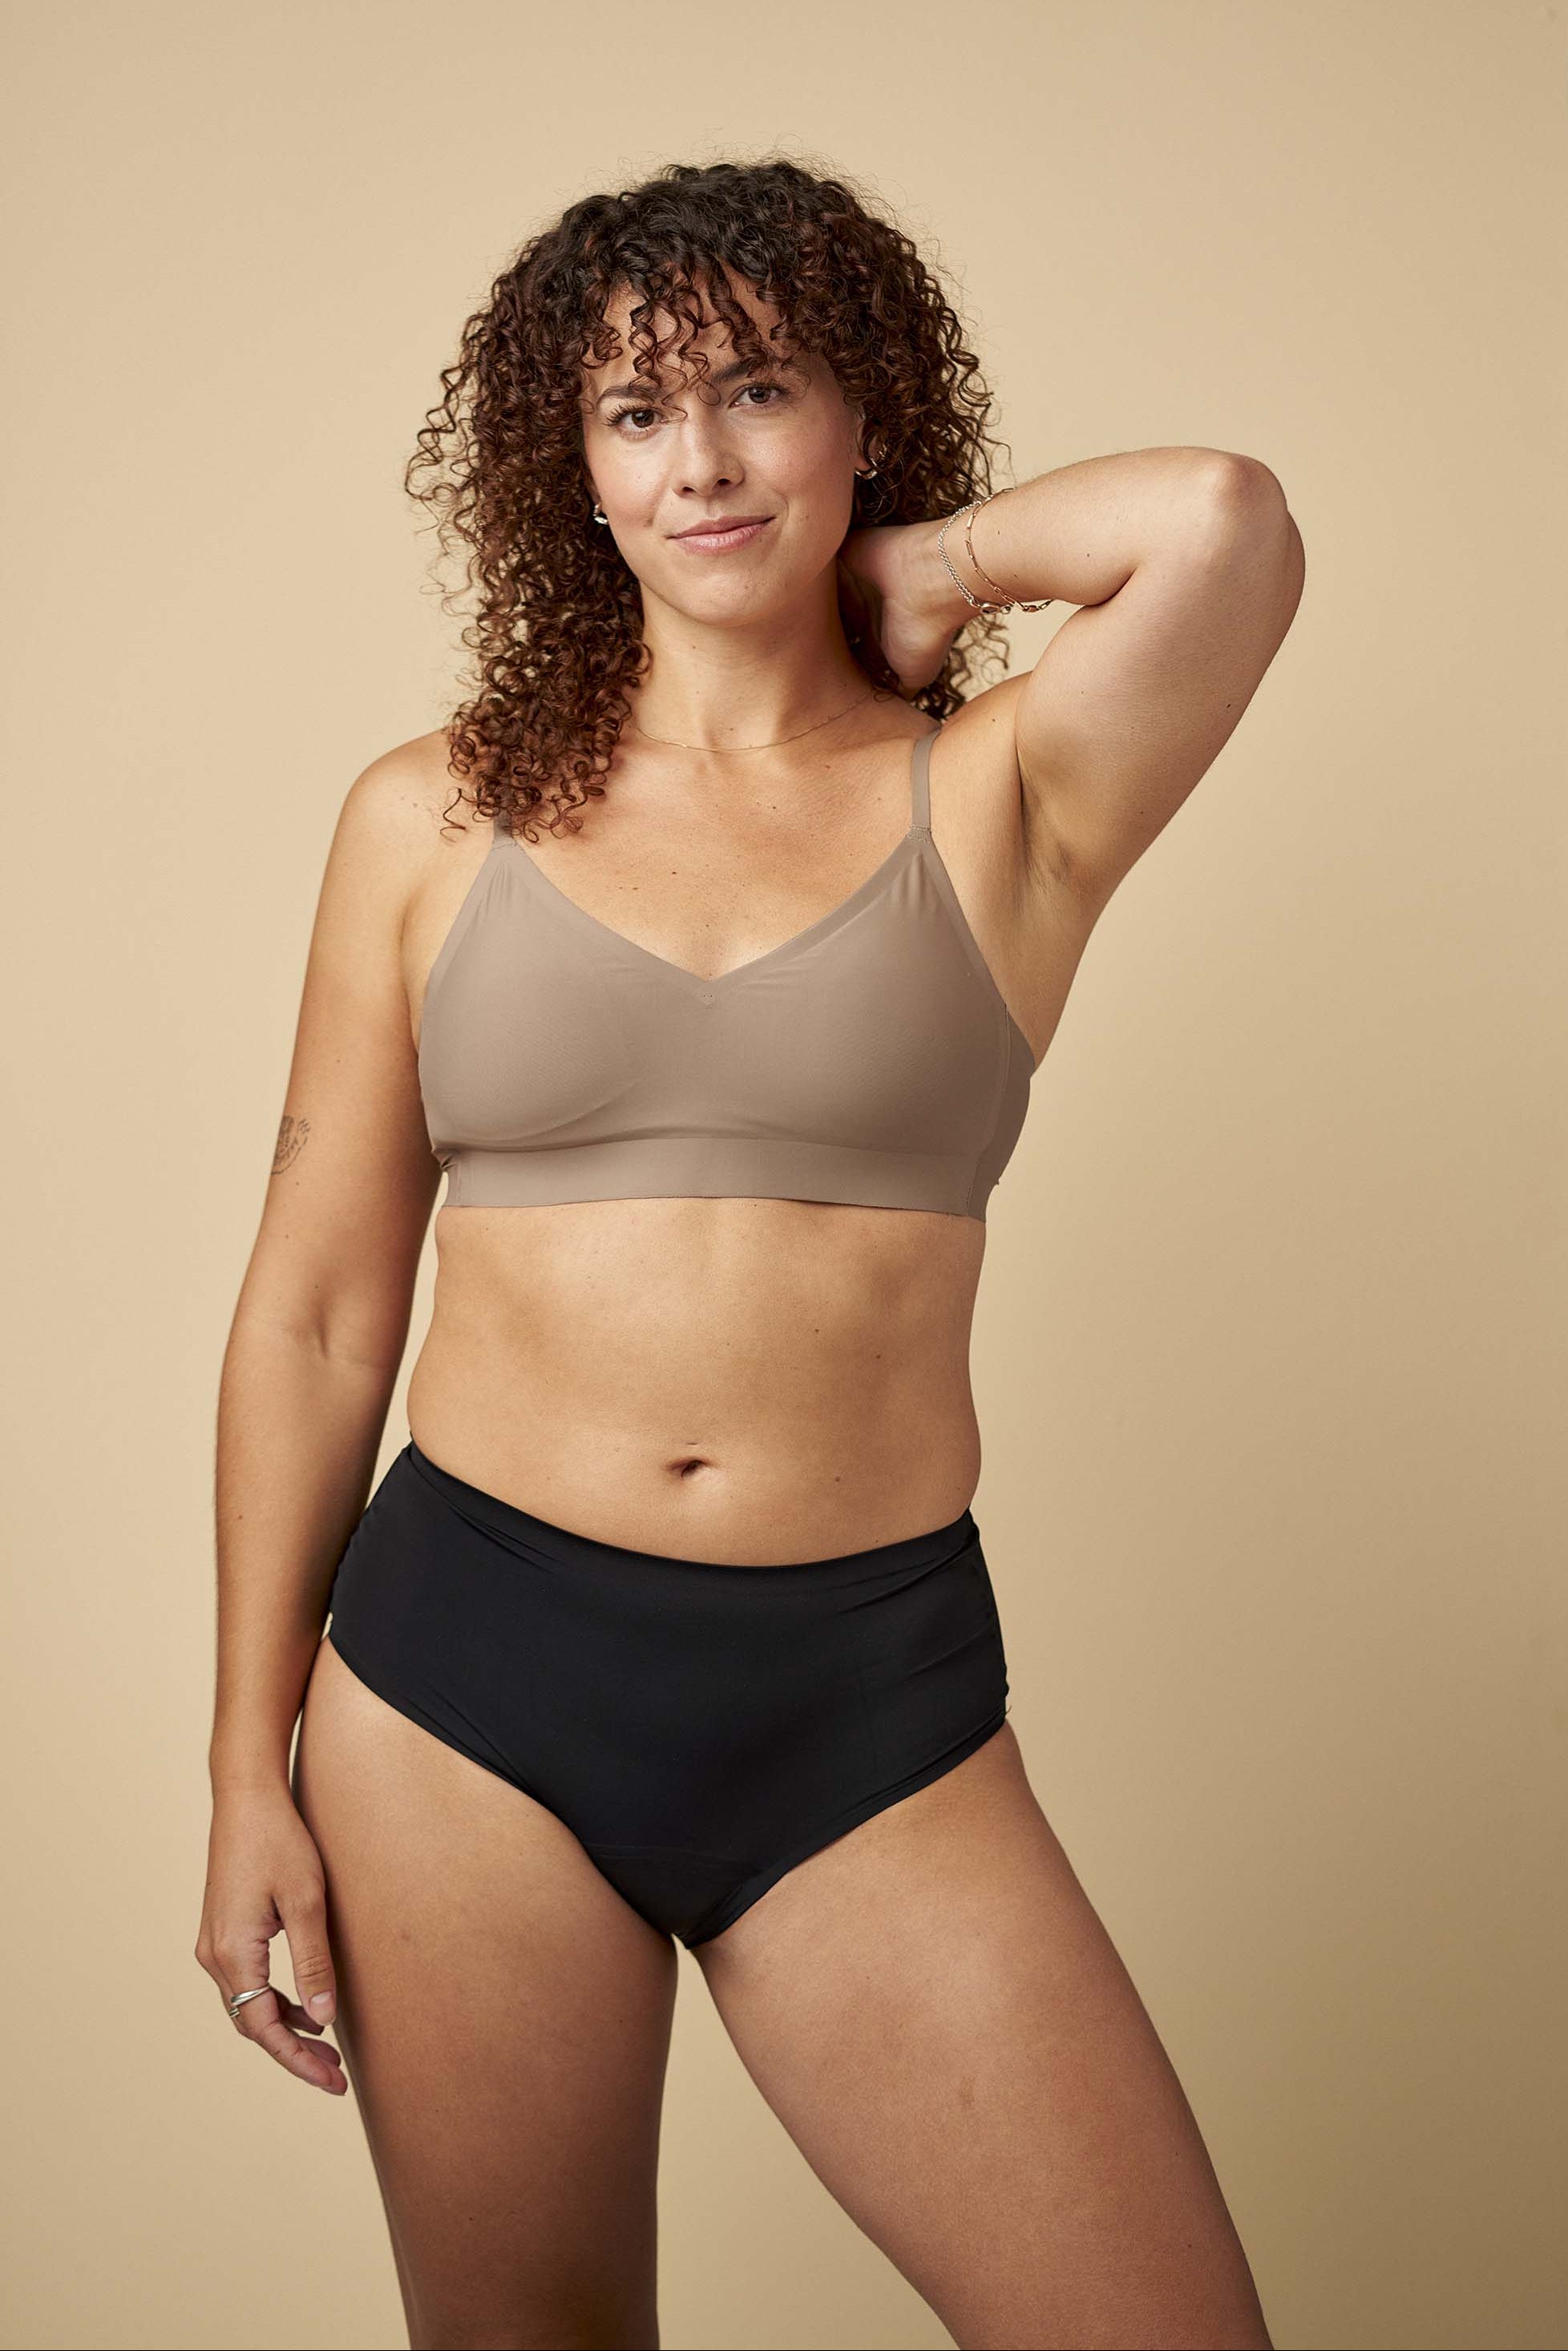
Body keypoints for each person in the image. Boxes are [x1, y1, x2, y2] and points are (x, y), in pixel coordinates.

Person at [196, 156, 1303, 2351]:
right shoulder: (431, 819)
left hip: (865, 1700)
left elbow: (1223, 525)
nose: (697, 461)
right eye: (631, 413)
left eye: (757, 390)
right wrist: (246, 1766)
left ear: (858, 419)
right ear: (567, 471)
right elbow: (319, 1312)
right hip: (463, 1693)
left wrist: (932, 577)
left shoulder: (1007, 794)